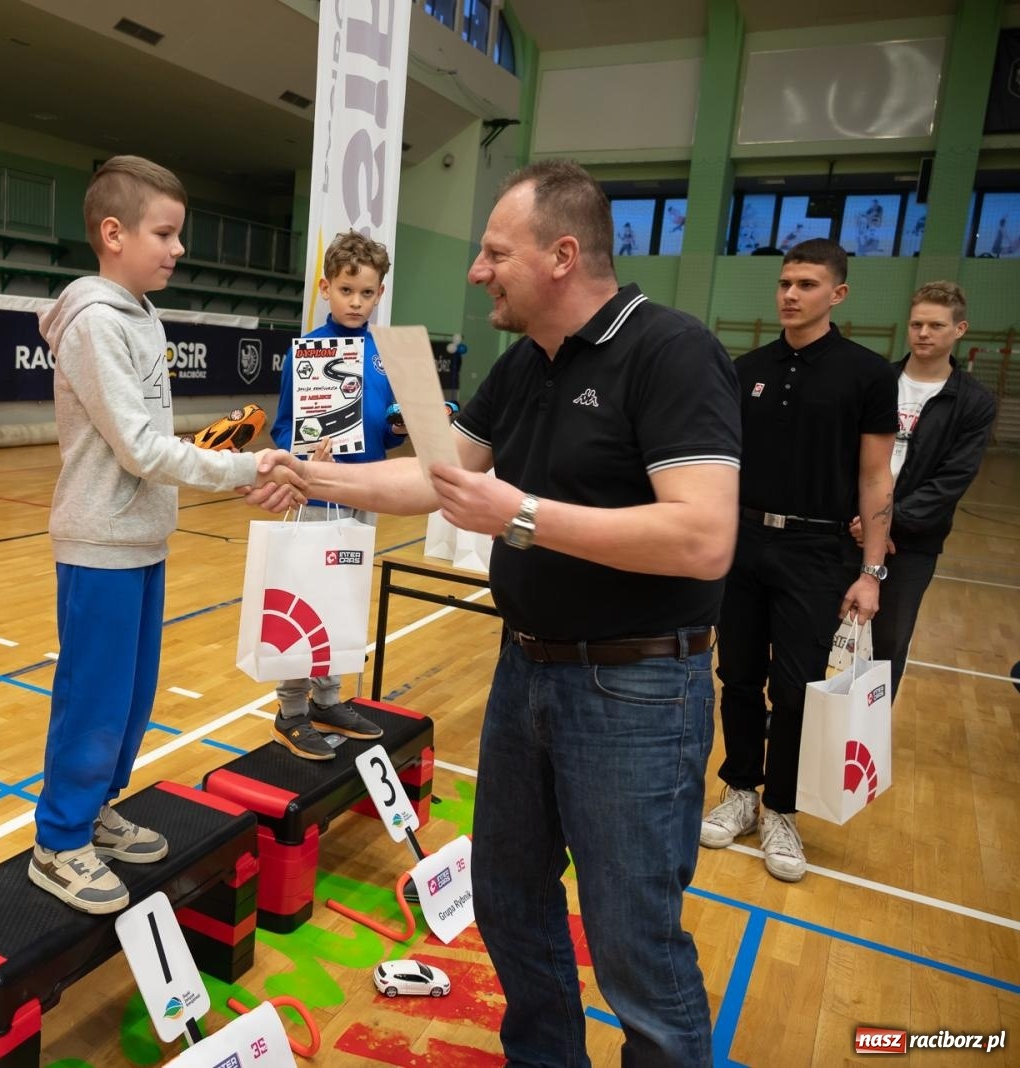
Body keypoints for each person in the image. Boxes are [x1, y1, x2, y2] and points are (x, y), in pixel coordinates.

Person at [261, 159, 741, 1066]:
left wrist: (519, 515)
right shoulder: (524, 366)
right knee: (511, 900)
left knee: (634, 940)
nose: (477, 270)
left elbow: (702, 538)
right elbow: (442, 477)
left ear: (562, 256)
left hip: (638, 689)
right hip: (526, 673)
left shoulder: (671, 352)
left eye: (493, 252)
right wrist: (309, 473)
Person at [30, 155, 302, 914]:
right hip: (99, 542)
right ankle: (58, 842)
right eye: (165, 233)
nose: (178, 250)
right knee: (94, 698)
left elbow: (152, 440)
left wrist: (227, 464)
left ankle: (96, 810)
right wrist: (242, 469)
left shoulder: (141, 314)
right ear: (112, 234)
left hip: (144, 536)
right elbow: (141, 449)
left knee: (131, 696)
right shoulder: (91, 323)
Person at [702, 238, 895, 883]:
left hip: (817, 553)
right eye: (785, 282)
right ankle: (740, 793)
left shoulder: (868, 374)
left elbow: (874, 480)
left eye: (807, 285)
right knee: (737, 676)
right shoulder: (745, 368)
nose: (790, 294)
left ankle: (781, 808)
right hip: (746, 544)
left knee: (794, 689)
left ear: (837, 294)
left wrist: (870, 572)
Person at [266, 230, 398, 760]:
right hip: (317, 497)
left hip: (367, 494)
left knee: (343, 601)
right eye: (347, 290)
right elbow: (281, 429)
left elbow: (386, 430)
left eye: (367, 293)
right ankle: (291, 710)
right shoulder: (306, 354)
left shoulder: (386, 355)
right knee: (308, 602)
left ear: (380, 294)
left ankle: (328, 698)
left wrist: (402, 428)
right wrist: (300, 456)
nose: (356, 302)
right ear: (326, 288)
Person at [848, 282, 995, 700]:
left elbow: (952, 479)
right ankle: (801, 721)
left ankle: (867, 733)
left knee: (888, 643)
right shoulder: (877, 380)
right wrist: (856, 519)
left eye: (935, 325)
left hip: (910, 544)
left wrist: (887, 523)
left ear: (959, 329)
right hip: (848, 527)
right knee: (819, 630)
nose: (923, 333)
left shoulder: (972, 401)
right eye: (916, 324)